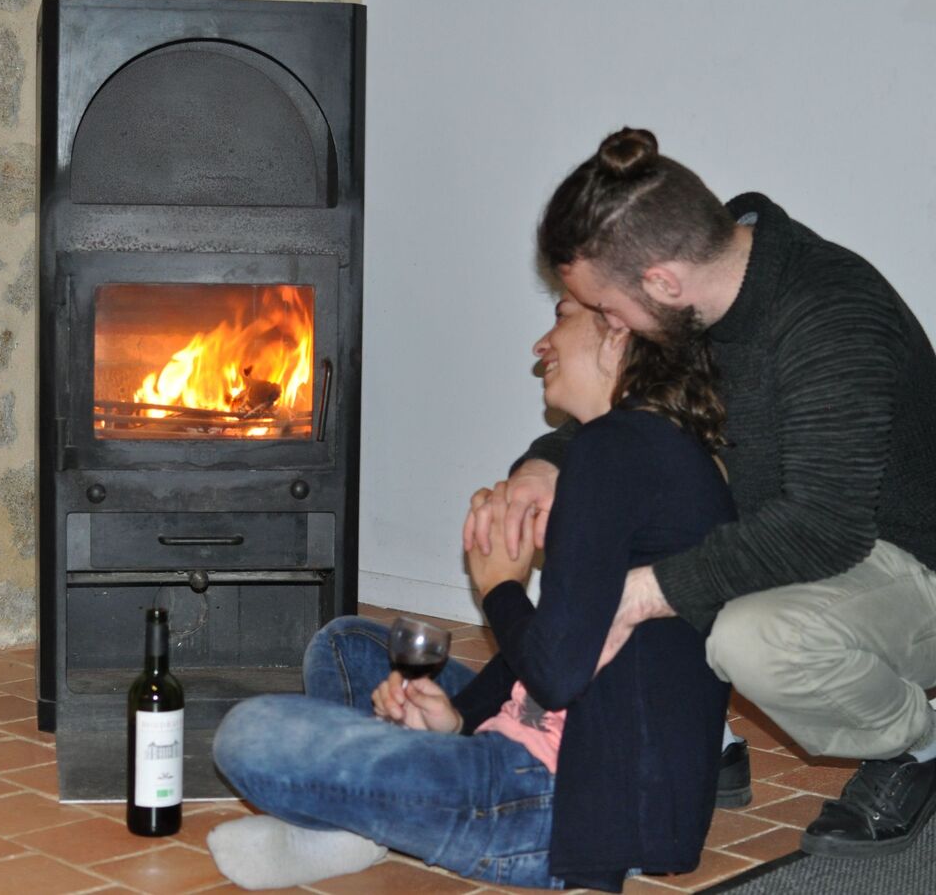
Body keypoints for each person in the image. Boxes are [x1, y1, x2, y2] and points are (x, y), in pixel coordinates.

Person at [466, 127, 936, 858]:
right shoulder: (695, 295)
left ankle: (918, 743)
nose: (607, 328)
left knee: (755, 639)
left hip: (902, 561)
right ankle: (703, 737)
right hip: (795, 543)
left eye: (606, 309)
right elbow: (639, 409)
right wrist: (545, 464)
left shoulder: (831, 316)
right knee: (624, 517)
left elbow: (823, 530)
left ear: (661, 282)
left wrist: (642, 594)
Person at [206, 291, 737, 892]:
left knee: (251, 733)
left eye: (562, 316)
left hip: (562, 809)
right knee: (346, 644)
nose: (541, 346)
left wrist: (500, 587)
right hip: (568, 753)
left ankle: (357, 826)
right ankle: (366, 825)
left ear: (617, 328)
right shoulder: (646, 448)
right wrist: (456, 720)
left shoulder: (614, 447)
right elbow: (572, 645)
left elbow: (557, 673)